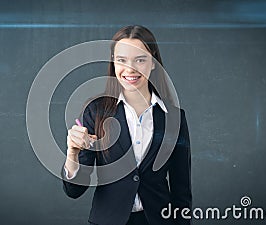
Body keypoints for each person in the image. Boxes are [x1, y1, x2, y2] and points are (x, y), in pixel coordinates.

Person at [62, 25, 192, 225]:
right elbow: (74, 191)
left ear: (154, 62)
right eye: (122, 60)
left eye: (140, 59)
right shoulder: (95, 112)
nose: (130, 69)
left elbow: (181, 188)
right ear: (114, 62)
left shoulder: (174, 118)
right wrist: (72, 154)